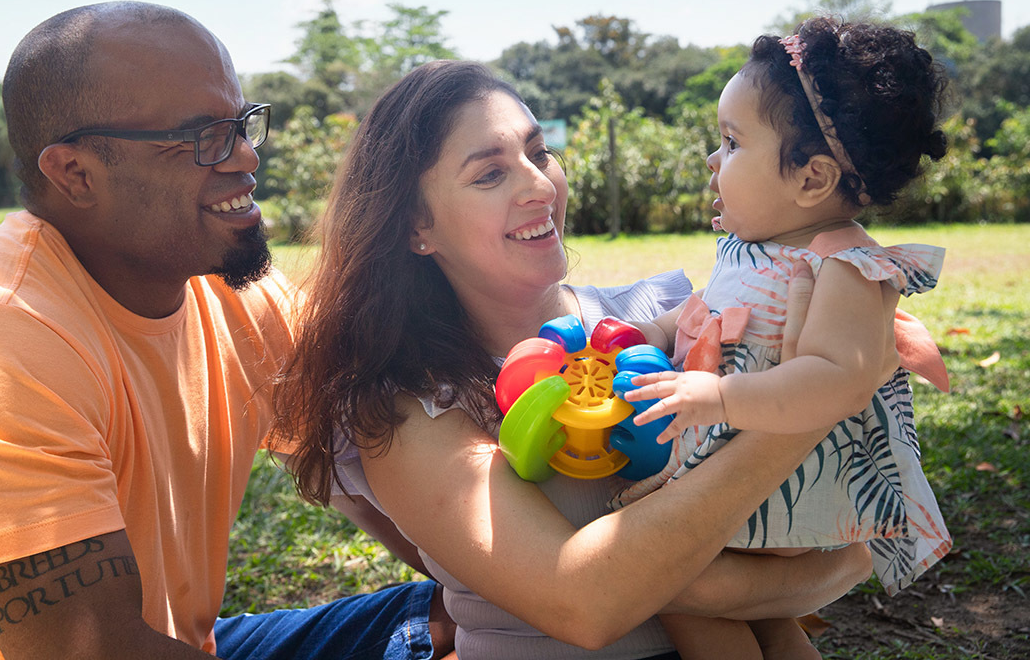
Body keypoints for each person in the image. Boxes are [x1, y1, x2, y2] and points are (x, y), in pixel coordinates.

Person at [0, 2, 453, 660]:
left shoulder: (225, 286)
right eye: (203, 135)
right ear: (75, 173)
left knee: (460, 617)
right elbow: (99, 653)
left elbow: (368, 444)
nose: (247, 156)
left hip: (179, 644)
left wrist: (512, 581)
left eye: (242, 123)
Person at [273, 60, 876, 660]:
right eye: (489, 174)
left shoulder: (669, 315)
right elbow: (585, 606)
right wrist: (812, 407)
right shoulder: (410, 409)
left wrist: (715, 584)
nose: (539, 185)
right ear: (416, 227)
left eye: (540, 153)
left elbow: (853, 546)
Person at [617, 18, 954, 659]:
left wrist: (719, 397)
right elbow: (708, 315)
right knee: (764, 620)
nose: (714, 160)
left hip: (788, 485)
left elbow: (839, 377)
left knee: (679, 587)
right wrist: (650, 332)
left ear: (810, 178)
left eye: (732, 142)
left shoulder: (845, 265)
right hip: (743, 477)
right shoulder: (751, 248)